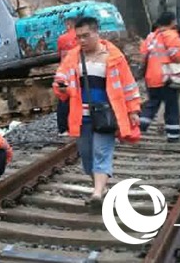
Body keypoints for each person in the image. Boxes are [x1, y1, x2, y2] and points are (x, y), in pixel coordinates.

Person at [53, 16, 140, 205]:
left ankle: (97, 193)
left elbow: (128, 84)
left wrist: (133, 110)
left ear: (96, 33)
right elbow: (61, 77)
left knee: (102, 152)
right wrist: (61, 87)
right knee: (86, 156)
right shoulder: (73, 57)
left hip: (106, 114)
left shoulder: (114, 57)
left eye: (86, 36)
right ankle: (100, 187)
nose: (82, 41)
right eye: (79, 37)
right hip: (80, 116)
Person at [140, 11, 180, 142]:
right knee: (171, 106)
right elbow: (176, 54)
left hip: (152, 76)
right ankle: (173, 135)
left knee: (152, 103)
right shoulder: (171, 35)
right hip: (167, 76)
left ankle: (139, 128)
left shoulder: (151, 36)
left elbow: (143, 55)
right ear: (172, 22)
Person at [56, 16, 78, 136]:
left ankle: (63, 128)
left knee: (63, 100)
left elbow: (60, 54)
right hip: (77, 73)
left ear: (68, 25)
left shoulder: (62, 39)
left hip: (64, 73)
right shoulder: (80, 37)